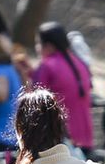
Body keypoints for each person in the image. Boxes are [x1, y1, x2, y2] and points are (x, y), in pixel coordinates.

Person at [29, 22, 94, 151]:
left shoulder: (47, 66)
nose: (37, 48)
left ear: (48, 45)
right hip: (86, 138)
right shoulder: (80, 63)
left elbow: (35, 101)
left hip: (62, 140)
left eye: (38, 43)